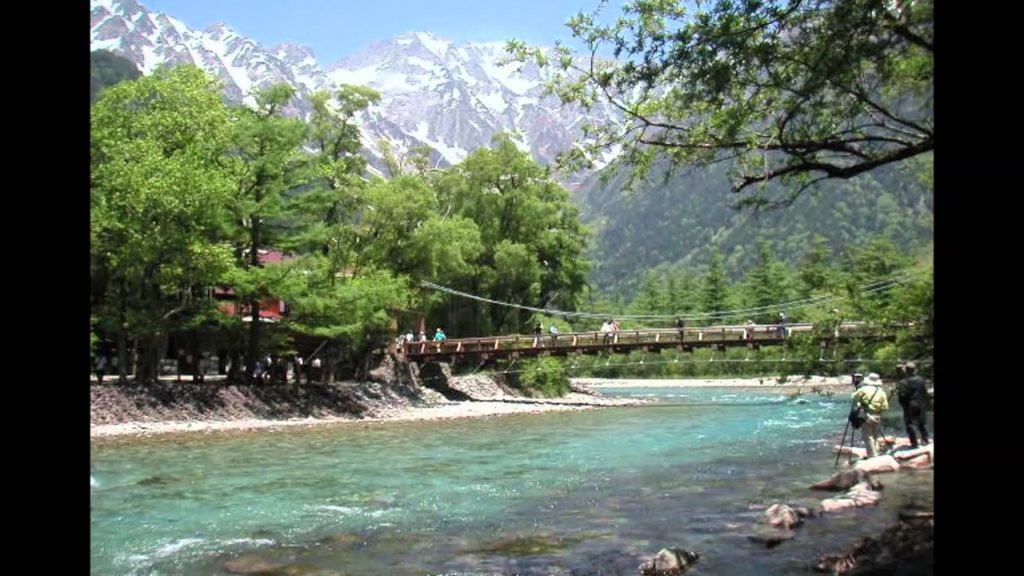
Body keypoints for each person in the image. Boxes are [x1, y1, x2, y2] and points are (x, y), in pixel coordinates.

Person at [851, 372, 889, 457]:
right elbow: (885, 407)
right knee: (875, 435)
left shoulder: (863, 389)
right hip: (878, 415)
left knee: (868, 436)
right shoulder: (881, 392)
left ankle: (872, 455)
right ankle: (875, 453)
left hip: (867, 415)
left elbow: (853, 397)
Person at [896, 362, 930, 447]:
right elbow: (925, 392)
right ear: (915, 370)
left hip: (909, 405)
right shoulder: (921, 380)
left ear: (906, 371)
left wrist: (903, 405)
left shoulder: (903, 382)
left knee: (911, 424)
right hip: (921, 403)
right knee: (922, 423)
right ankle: (925, 440)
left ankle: (914, 443)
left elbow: (901, 396)